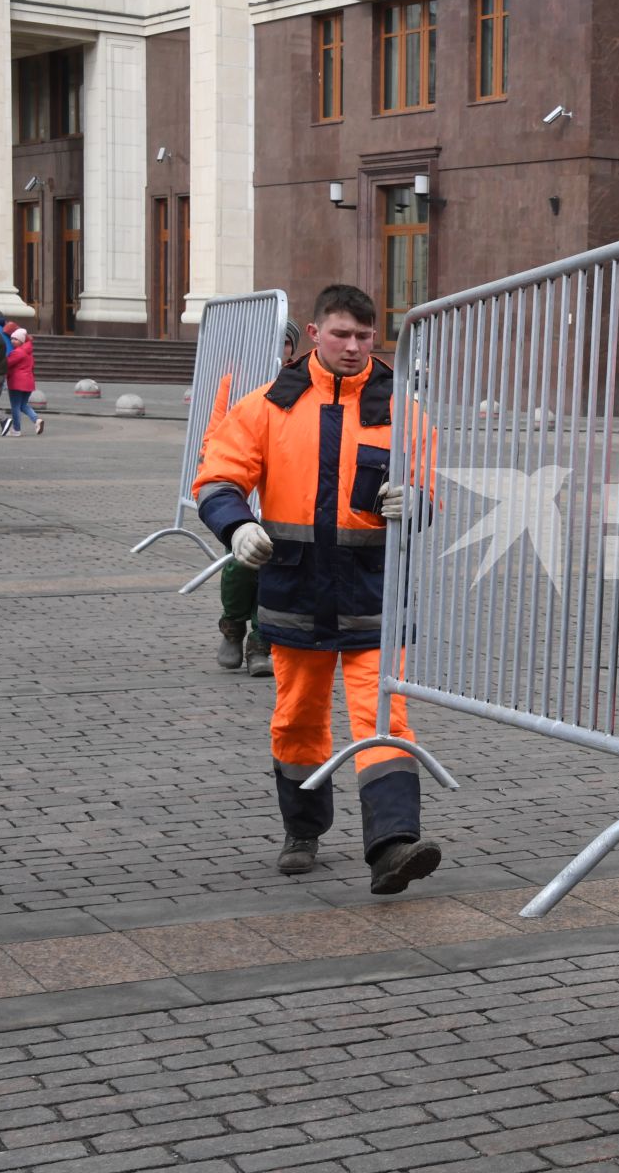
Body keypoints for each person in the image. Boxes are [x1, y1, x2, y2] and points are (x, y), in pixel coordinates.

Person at [193, 284, 439, 893]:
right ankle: (303, 829)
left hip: (372, 594)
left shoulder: (402, 409)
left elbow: (428, 489)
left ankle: (393, 845)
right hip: (295, 591)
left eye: (364, 336)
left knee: (384, 718)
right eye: (341, 334)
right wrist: (237, 524)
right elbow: (218, 478)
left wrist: (420, 502)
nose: (354, 347)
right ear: (313, 332)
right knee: (298, 719)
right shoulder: (267, 407)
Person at [213, 320, 301, 677]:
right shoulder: (233, 383)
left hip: (283, 493)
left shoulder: (299, 383)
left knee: (274, 569)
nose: (280, 349)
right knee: (239, 566)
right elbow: (215, 433)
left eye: (286, 342)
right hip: (242, 494)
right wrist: (220, 484)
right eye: (273, 340)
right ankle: (232, 626)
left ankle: (260, 644)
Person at [4, 329, 44, 436]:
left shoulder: (17, 352)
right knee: (23, 405)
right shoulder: (28, 352)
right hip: (28, 382)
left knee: (15, 406)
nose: (12, 341)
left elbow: (6, 364)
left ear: (21, 341)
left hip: (17, 382)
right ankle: (36, 420)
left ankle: (16, 430)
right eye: (11, 338)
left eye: (15, 339)